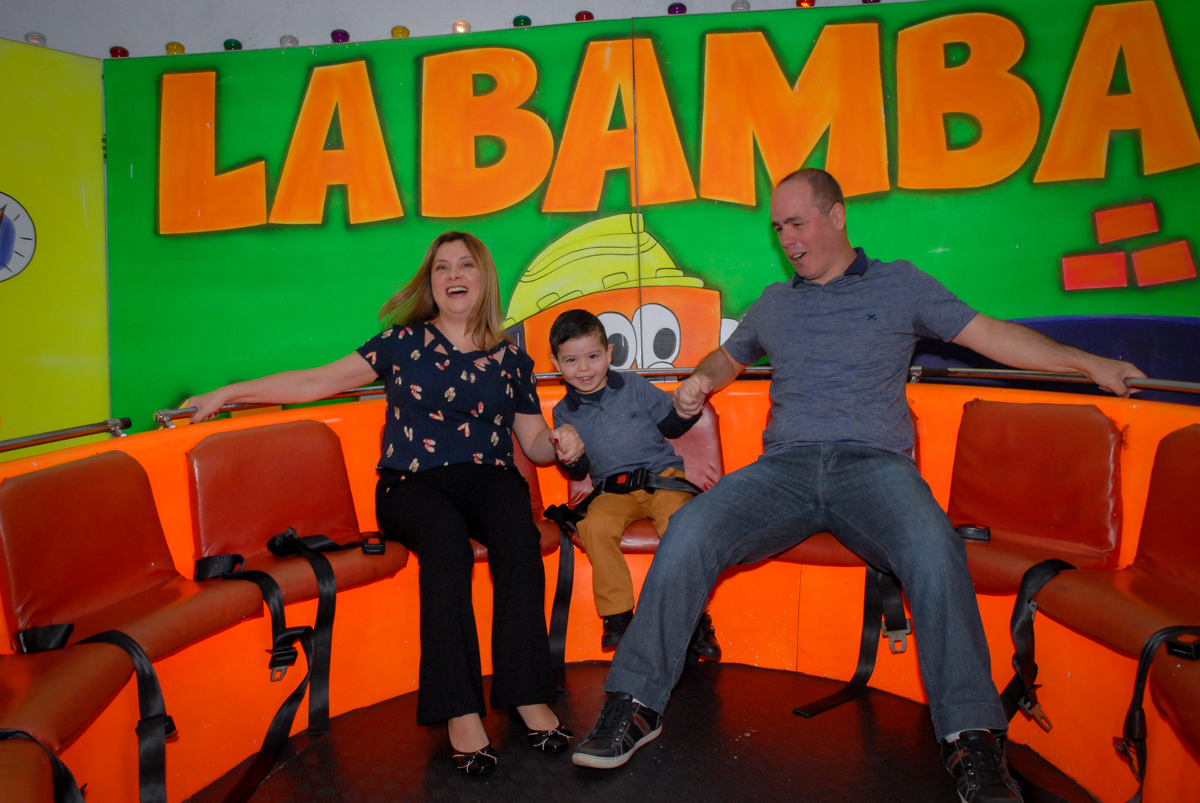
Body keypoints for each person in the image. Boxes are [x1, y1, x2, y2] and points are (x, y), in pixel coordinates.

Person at [569, 169, 1145, 803]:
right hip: (784, 470)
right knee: (695, 527)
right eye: (778, 227)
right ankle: (634, 705)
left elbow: (993, 335)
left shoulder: (901, 285)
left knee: (933, 547)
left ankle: (973, 739)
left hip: (875, 468)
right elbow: (728, 356)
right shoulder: (773, 303)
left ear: (837, 216)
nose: (787, 237)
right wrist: (702, 379)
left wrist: (1088, 362)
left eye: (798, 222)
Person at [190, 231, 585, 776]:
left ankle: (526, 695)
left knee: (517, 534)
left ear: (483, 278)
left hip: (489, 478)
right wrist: (228, 393)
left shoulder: (511, 356)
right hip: (412, 483)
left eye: (464, 265)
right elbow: (317, 380)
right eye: (441, 268)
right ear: (431, 282)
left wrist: (561, 442)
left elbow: (534, 442)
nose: (453, 276)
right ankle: (460, 710)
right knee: (445, 544)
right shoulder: (402, 342)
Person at [547, 309, 721, 658]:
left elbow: (670, 425)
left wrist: (686, 409)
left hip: (662, 480)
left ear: (609, 354)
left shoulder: (634, 386)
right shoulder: (564, 412)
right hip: (613, 490)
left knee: (681, 525)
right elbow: (578, 469)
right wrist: (568, 455)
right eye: (571, 360)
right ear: (555, 363)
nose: (583, 369)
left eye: (593, 357)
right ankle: (618, 617)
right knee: (594, 525)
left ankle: (695, 618)